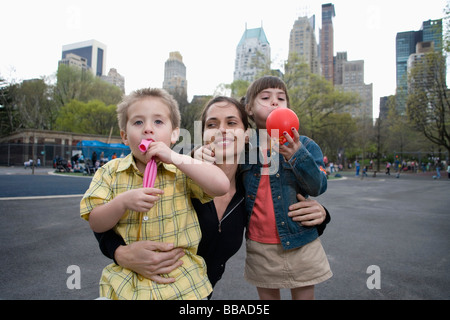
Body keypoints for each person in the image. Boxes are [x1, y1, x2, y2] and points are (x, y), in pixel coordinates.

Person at [94, 96, 331, 298]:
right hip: (142, 290)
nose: (223, 130)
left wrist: (322, 216)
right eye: (212, 124)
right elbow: (104, 217)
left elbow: (276, 215)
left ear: (247, 134)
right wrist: (120, 253)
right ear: (204, 134)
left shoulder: (249, 187)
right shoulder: (179, 173)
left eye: (231, 122)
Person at [80, 88, 230, 300]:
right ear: (124, 135)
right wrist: (122, 202)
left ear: (174, 134)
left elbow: (221, 185)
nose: (148, 129)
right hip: (128, 284)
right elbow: (96, 222)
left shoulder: (182, 169)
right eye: (138, 122)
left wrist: (175, 157)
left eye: (158, 122)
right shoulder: (109, 172)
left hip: (183, 284)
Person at [241, 75, 331, 300]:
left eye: (281, 98)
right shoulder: (244, 147)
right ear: (249, 108)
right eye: (265, 97)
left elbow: (318, 186)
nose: (274, 102)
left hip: (300, 240)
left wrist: (297, 155)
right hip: (260, 244)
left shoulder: (306, 145)